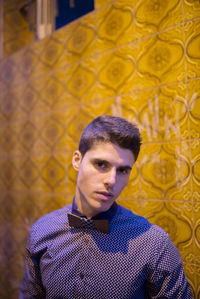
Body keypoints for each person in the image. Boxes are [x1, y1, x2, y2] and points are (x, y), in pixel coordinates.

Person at [19, 115, 192, 298]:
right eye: (101, 164)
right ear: (77, 160)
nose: (112, 181)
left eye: (123, 170)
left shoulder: (154, 244)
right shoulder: (42, 230)